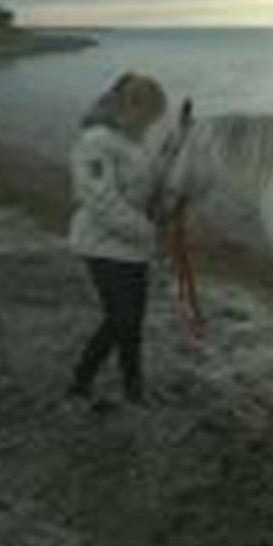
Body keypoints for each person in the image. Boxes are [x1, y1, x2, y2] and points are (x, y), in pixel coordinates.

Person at [67, 72, 168, 405]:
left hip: (134, 247)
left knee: (129, 322)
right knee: (121, 319)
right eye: (151, 115)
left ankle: (132, 389)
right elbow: (101, 202)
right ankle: (82, 383)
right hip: (102, 245)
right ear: (131, 106)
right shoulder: (95, 141)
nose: (152, 123)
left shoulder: (133, 140)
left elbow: (144, 188)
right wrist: (149, 233)